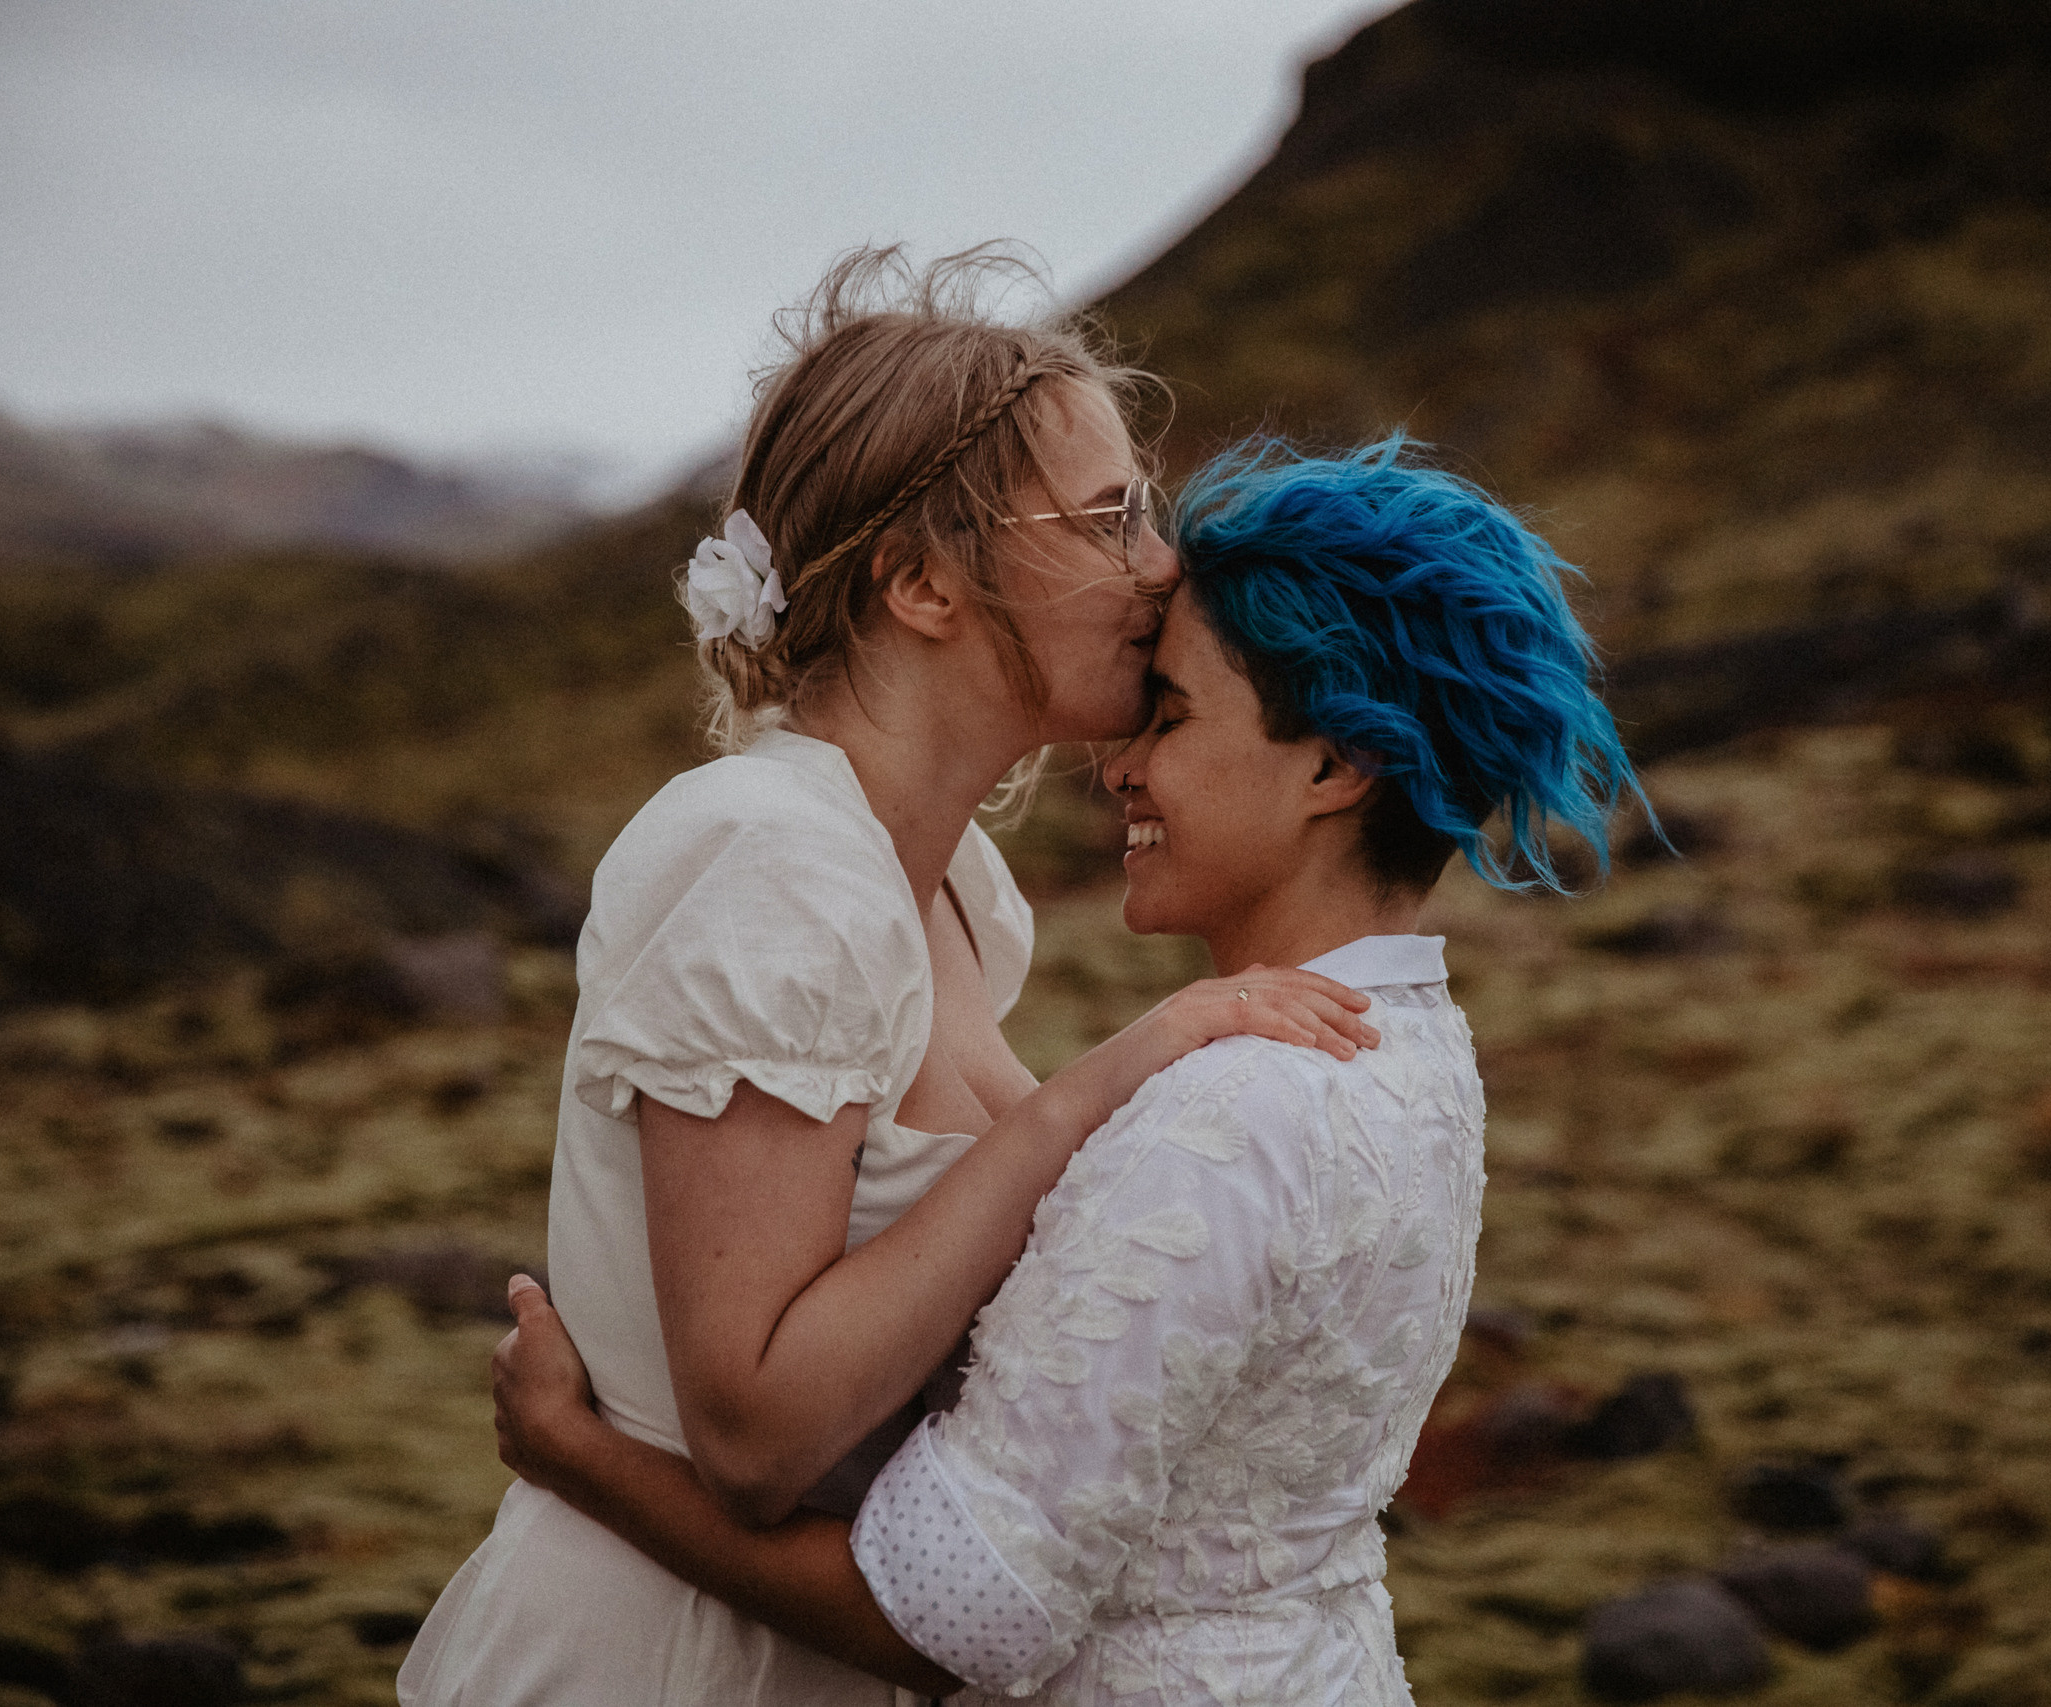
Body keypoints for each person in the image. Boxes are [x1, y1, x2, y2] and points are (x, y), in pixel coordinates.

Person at [487, 438, 1649, 1703]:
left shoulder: (1228, 1109)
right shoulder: (1419, 1049)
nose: (1121, 763)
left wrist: (580, 1455)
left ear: (1331, 766)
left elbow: (951, 1618)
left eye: (1174, 714)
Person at [397, 252, 1379, 1707]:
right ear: (922, 582)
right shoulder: (772, 863)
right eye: (1110, 518)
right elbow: (752, 1433)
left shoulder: (958, 898)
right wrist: (1103, 1085)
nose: (1163, 565)